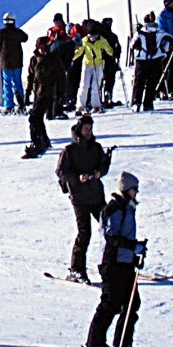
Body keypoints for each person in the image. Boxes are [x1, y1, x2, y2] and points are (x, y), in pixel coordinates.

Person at [80, 171, 145, 347]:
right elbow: (111, 237)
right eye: (134, 189)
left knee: (132, 302)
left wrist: (135, 252)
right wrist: (133, 246)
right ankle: (94, 343)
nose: (136, 193)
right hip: (112, 263)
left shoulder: (127, 208)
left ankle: (123, 343)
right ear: (126, 190)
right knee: (110, 303)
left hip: (124, 263)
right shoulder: (115, 208)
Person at [56, 115, 113, 282]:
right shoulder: (69, 150)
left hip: (96, 195)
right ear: (80, 129)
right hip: (80, 198)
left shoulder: (95, 147)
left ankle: (112, 265)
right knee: (84, 234)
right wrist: (77, 177)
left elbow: (104, 164)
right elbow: (61, 172)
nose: (89, 132)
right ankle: (76, 269)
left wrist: (99, 172)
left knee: (110, 227)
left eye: (91, 129)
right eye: (86, 129)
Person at [22, 37, 66, 158]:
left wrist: (61, 95)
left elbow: (61, 78)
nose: (41, 50)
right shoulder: (34, 60)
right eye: (39, 48)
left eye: (43, 48)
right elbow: (31, 77)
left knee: (34, 118)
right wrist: (27, 93)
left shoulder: (54, 60)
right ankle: (44, 141)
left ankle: (37, 144)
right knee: (38, 118)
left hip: (49, 93)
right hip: (38, 93)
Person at [130, 14, 167, 112]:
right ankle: (148, 103)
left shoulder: (139, 33)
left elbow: (132, 45)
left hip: (142, 60)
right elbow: (170, 40)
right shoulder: (160, 32)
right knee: (152, 83)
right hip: (156, 60)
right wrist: (163, 51)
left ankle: (136, 103)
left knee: (139, 82)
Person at [73, 24, 113, 113]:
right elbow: (79, 51)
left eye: (94, 36)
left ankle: (96, 105)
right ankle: (80, 105)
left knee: (96, 85)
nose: (92, 38)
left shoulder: (102, 41)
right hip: (87, 64)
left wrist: (113, 53)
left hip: (98, 64)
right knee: (84, 84)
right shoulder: (84, 41)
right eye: (90, 36)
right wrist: (71, 58)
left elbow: (108, 49)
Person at [0, 14, 28, 112]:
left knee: (7, 84)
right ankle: (21, 103)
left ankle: (8, 105)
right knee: (17, 83)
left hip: (5, 62)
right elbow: (25, 38)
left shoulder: (0, 33)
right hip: (17, 61)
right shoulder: (18, 33)